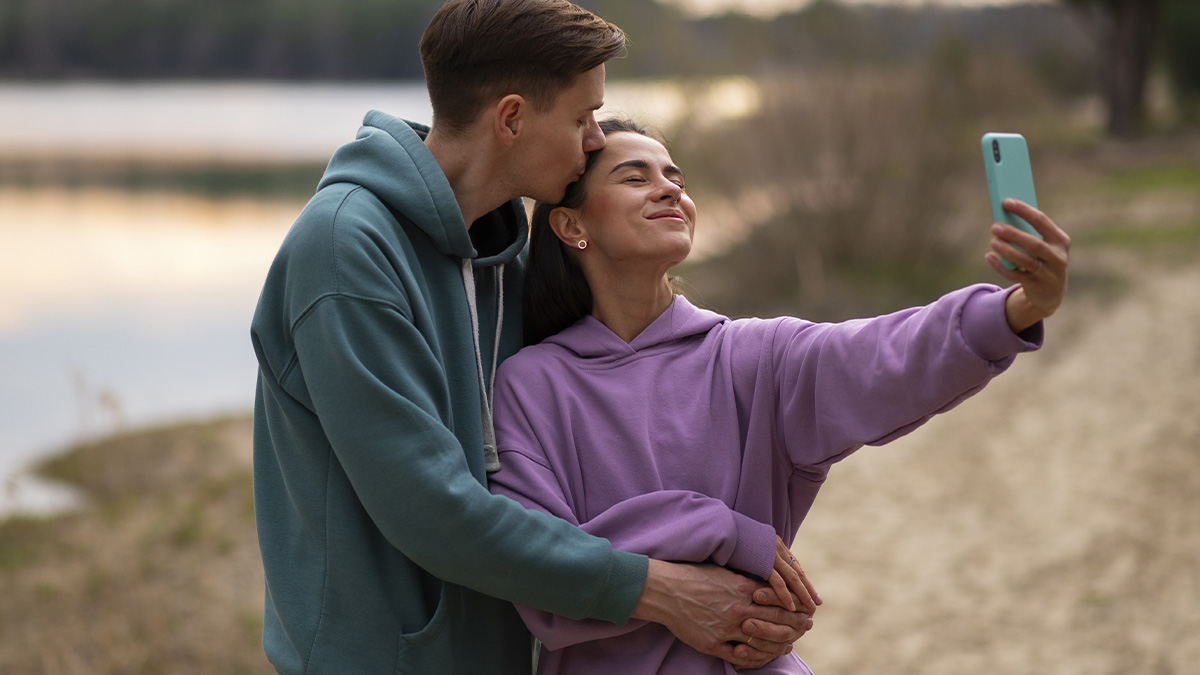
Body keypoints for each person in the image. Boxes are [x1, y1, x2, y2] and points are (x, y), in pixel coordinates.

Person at [250, 2, 815, 673]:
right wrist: (658, 590)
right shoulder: (346, 251)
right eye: (582, 118)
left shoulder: (503, 259)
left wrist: (749, 585)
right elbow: (430, 508)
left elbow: (616, 409)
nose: (596, 142)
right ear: (512, 118)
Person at [487, 117, 1071, 674]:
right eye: (636, 177)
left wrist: (1016, 309)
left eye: (676, 178)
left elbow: (886, 353)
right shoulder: (533, 383)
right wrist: (719, 528)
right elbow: (541, 573)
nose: (668, 190)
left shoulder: (755, 357)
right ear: (571, 226)